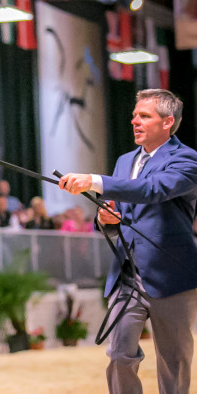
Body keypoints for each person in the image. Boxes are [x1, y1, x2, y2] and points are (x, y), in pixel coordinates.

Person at [59, 88, 197, 394]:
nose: (134, 121)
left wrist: (94, 181)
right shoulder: (124, 161)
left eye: (144, 116)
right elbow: (120, 213)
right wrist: (105, 219)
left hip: (171, 277)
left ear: (167, 122)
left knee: (174, 363)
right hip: (126, 276)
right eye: (134, 115)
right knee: (120, 355)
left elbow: (153, 190)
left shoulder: (187, 159)